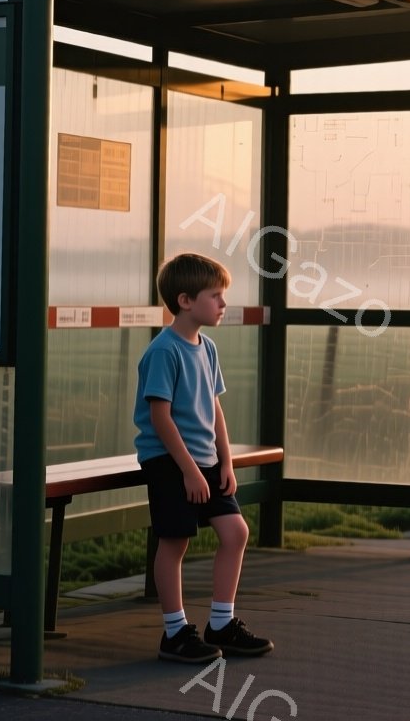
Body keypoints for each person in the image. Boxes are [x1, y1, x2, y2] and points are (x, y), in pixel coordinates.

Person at [134, 253, 274, 663]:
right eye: (216, 296)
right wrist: (190, 472)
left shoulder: (207, 348)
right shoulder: (164, 351)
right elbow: (160, 418)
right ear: (185, 301)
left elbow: (214, 410)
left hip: (206, 462)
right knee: (174, 541)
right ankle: (175, 633)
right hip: (169, 461)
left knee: (236, 532)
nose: (223, 304)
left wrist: (225, 463)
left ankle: (221, 624)